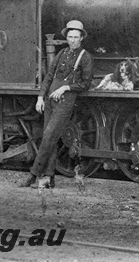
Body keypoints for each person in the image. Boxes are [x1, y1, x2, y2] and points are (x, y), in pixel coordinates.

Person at [19, 20, 94, 189]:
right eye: (70, 37)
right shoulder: (61, 54)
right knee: (49, 137)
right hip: (50, 100)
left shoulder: (86, 57)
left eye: (76, 37)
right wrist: (40, 97)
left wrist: (67, 87)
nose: (73, 40)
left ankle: (33, 175)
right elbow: (49, 76)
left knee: (48, 136)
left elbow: (86, 83)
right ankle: (49, 177)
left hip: (65, 101)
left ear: (81, 38)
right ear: (66, 38)